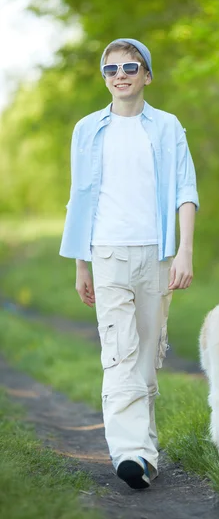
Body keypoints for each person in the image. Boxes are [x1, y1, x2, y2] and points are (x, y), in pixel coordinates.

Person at [60, 38, 199, 489]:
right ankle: (129, 453)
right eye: (111, 68)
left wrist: (184, 251)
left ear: (147, 75)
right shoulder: (87, 129)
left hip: (156, 255)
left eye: (130, 67)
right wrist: (82, 265)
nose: (120, 74)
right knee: (119, 352)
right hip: (107, 253)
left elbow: (185, 190)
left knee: (145, 359)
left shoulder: (167, 127)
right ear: (104, 77)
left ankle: (144, 453)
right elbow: (79, 199)